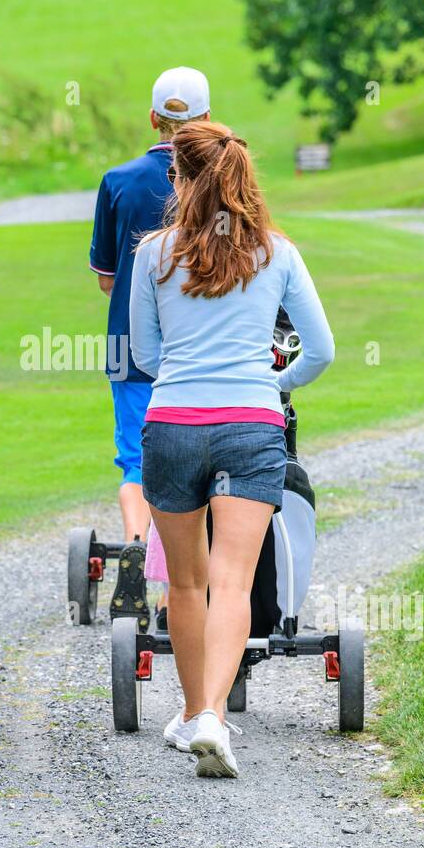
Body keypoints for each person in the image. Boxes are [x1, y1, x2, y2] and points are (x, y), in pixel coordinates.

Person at [129, 120, 334, 779]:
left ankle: (195, 712)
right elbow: (321, 351)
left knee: (184, 582)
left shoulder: (152, 256)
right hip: (251, 423)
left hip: (174, 423)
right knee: (232, 579)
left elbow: (145, 356)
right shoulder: (276, 253)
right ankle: (214, 716)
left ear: (180, 180)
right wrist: (273, 383)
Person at [89, 67, 210, 630]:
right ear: (207, 120)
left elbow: (108, 278)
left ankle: (135, 541)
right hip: (199, 348)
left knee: (136, 459)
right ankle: (170, 588)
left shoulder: (118, 181)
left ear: (153, 118)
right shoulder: (219, 181)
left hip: (128, 346)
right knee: (189, 462)